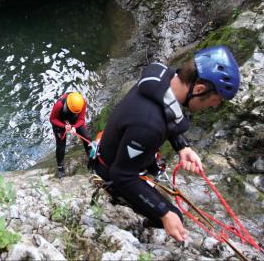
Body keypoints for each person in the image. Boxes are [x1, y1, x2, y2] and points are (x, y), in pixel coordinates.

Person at [93, 45, 240, 242]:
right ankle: (139, 227)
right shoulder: (148, 126)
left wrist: (182, 146)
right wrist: (164, 213)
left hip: (122, 150)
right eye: (214, 100)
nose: (214, 106)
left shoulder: (164, 76)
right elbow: (121, 176)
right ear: (199, 89)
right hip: (113, 172)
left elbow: (167, 110)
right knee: (174, 216)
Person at [50, 92, 92, 178]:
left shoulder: (82, 103)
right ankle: (60, 167)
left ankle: (90, 156)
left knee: (87, 137)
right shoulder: (59, 104)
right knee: (61, 145)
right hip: (59, 120)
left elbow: (81, 119)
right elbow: (52, 119)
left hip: (74, 119)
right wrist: (64, 126)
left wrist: (74, 127)